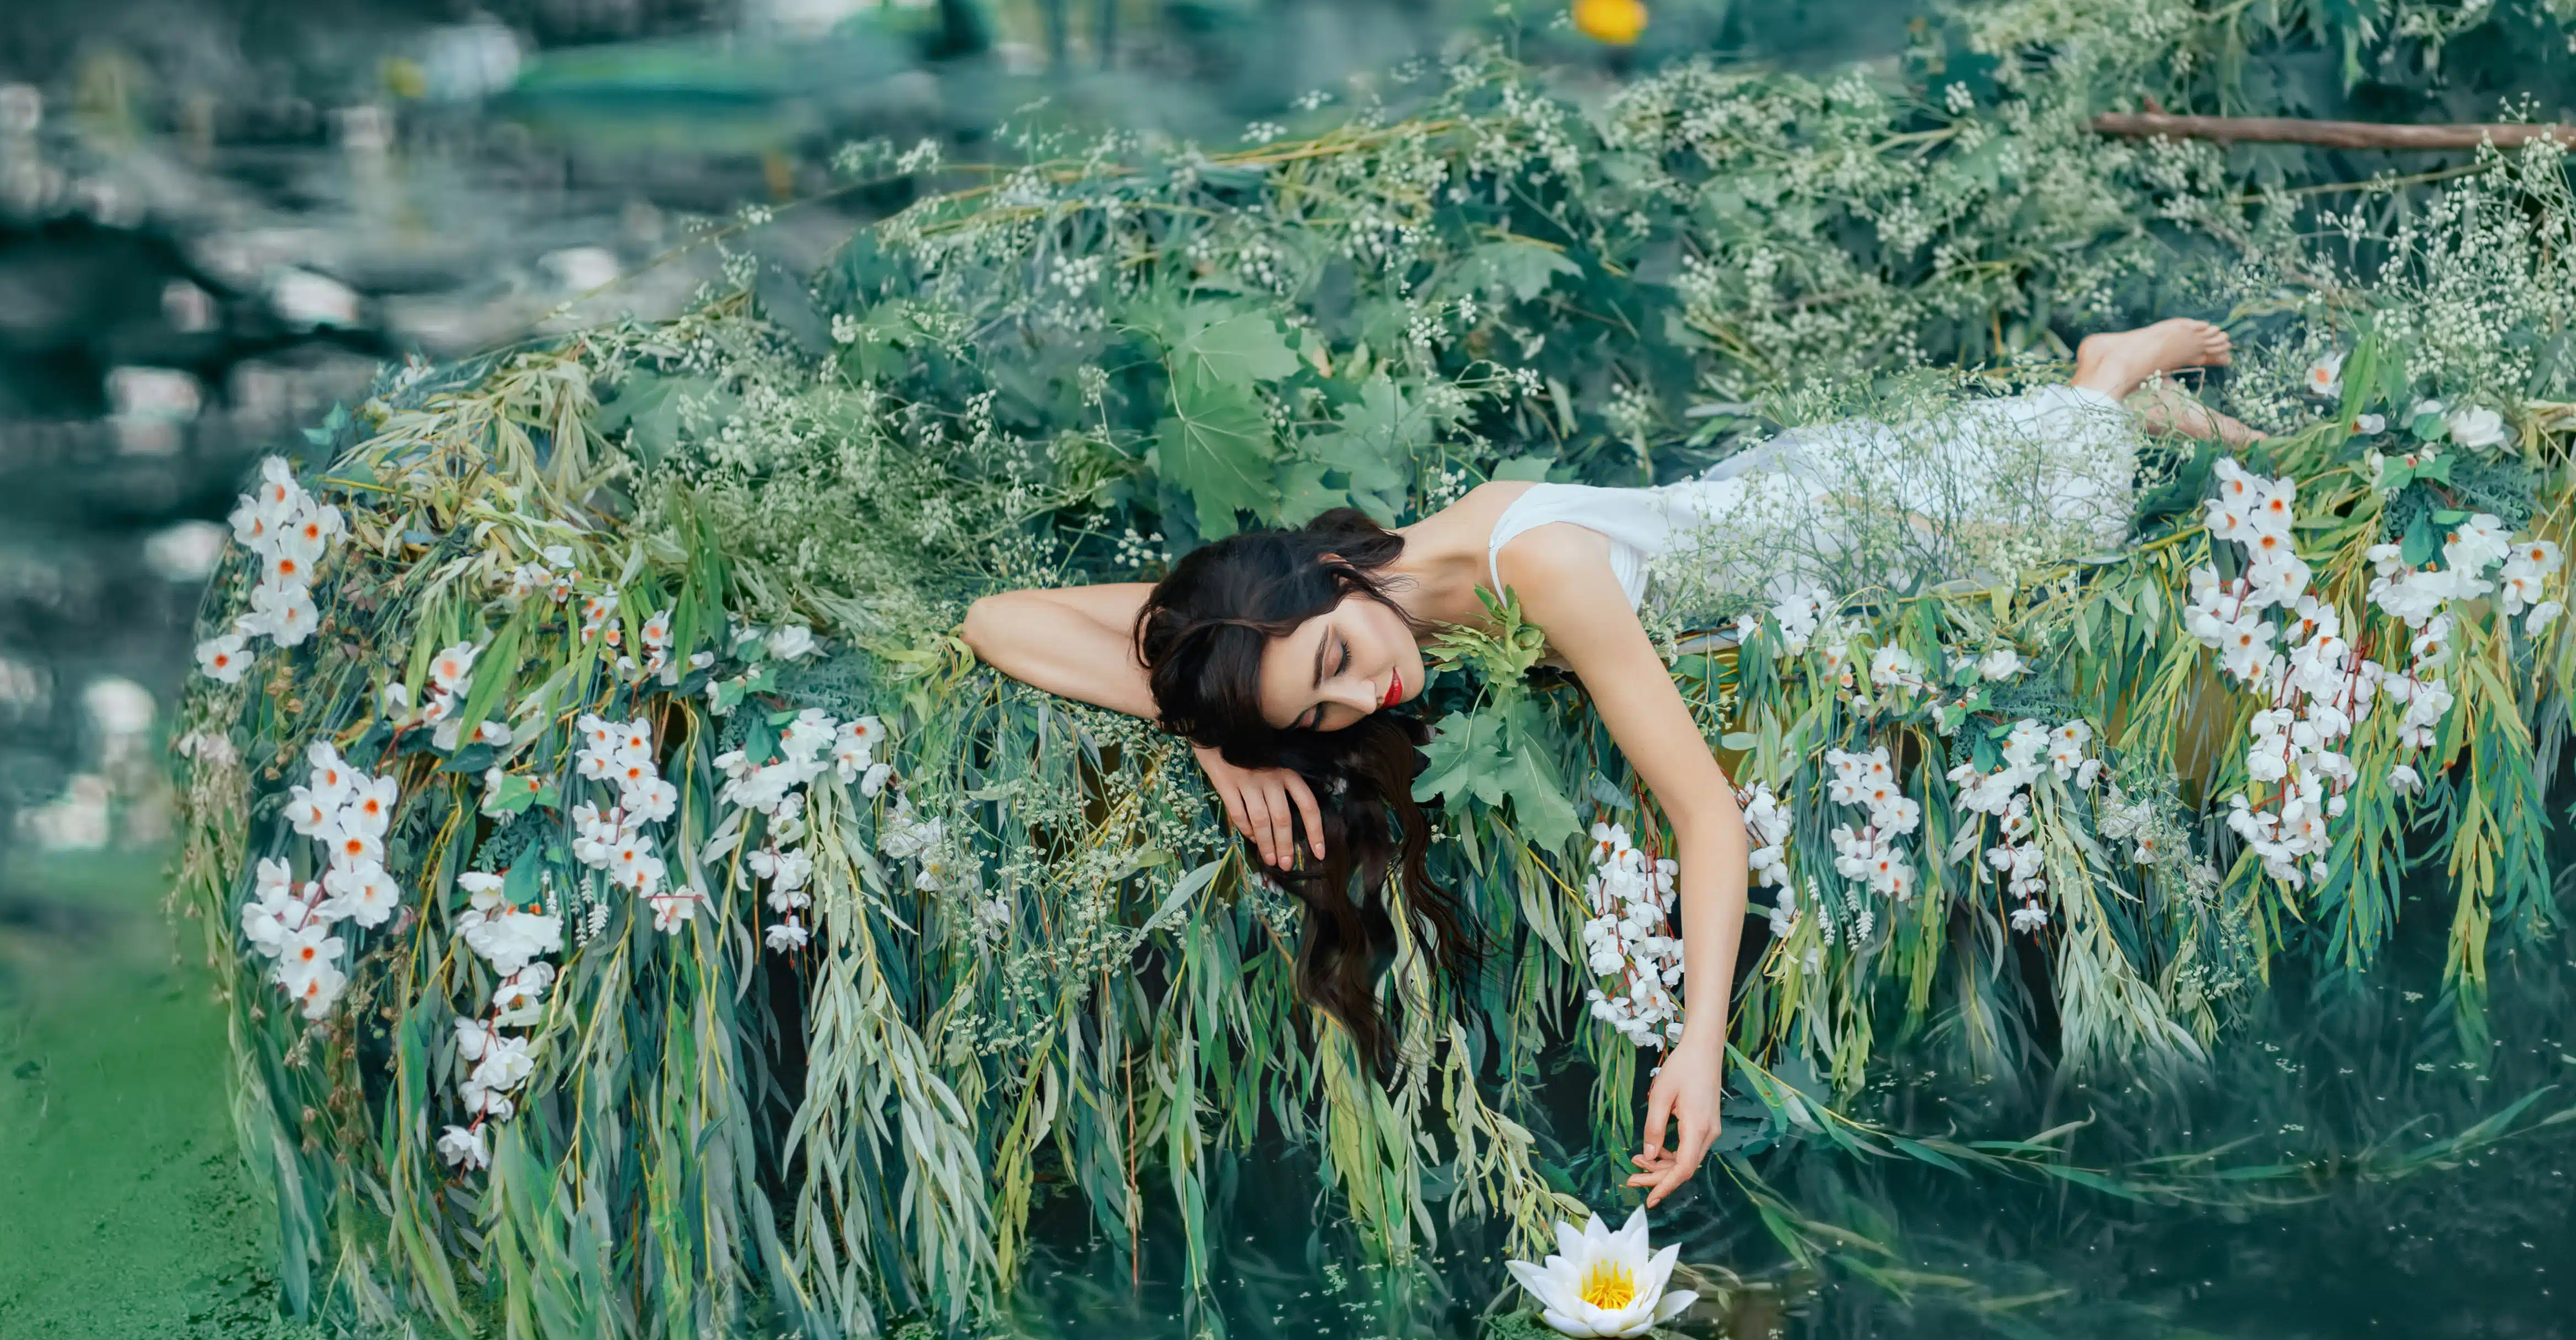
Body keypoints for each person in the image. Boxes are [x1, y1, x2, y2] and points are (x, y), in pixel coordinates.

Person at [962, 320, 2256, 1207]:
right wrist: (1209, 732)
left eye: (1343, 657)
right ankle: (2094, 404)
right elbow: (997, 618)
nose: (1372, 693)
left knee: (2076, 506)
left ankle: (2106, 373)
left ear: (1339, 575)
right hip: (1754, 524)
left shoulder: (1544, 572)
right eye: (1323, 710)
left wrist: (1696, 1049)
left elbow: (1703, 812)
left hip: (1842, 532)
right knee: (2079, 476)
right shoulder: (1289, 610)